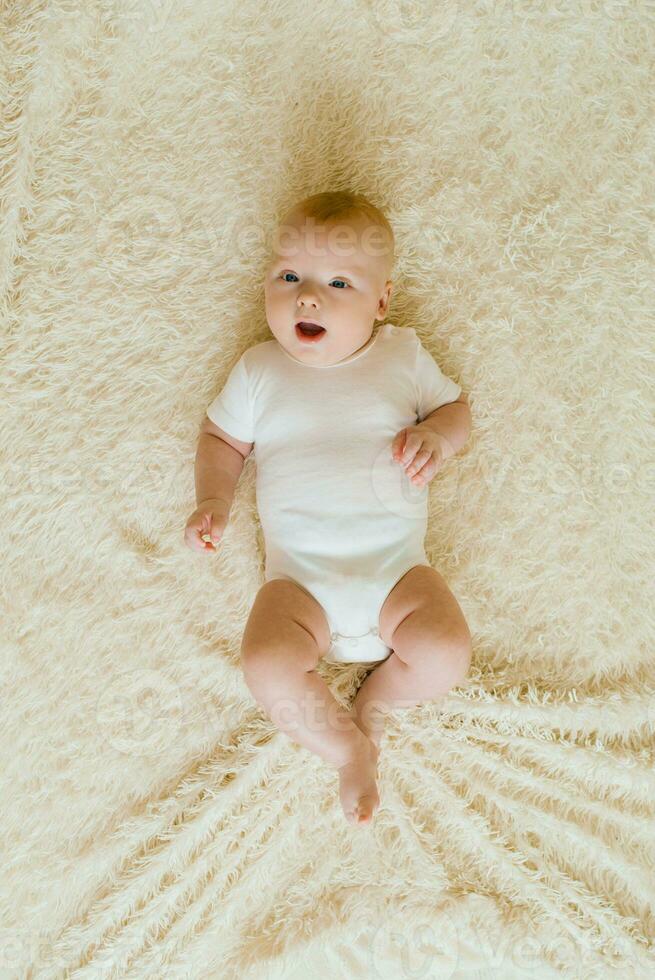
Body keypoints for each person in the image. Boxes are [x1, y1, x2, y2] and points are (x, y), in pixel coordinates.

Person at [184, 190, 473, 825]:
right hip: (299, 588)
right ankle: (345, 750)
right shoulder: (260, 370)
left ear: (382, 300)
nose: (306, 297)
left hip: (397, 574)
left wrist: (438, 439)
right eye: (289, 277)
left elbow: (457, 412)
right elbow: (221, 440)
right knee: (264, 662)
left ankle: (375, 705)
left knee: (446, 648)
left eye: (337, 283)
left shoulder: (402, 354)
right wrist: (214, 497)